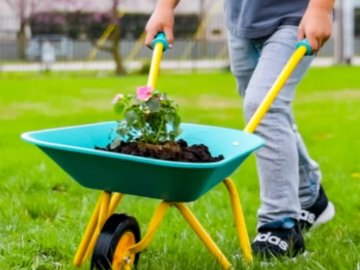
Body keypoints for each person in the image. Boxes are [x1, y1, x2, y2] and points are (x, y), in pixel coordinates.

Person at [144, 0, 336, 258]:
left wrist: (320, 9)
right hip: (242, 21)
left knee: (264, 105)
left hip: (295, 17)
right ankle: (309, 194)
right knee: (265, 108)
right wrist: (165, 7)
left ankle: (281, 226)